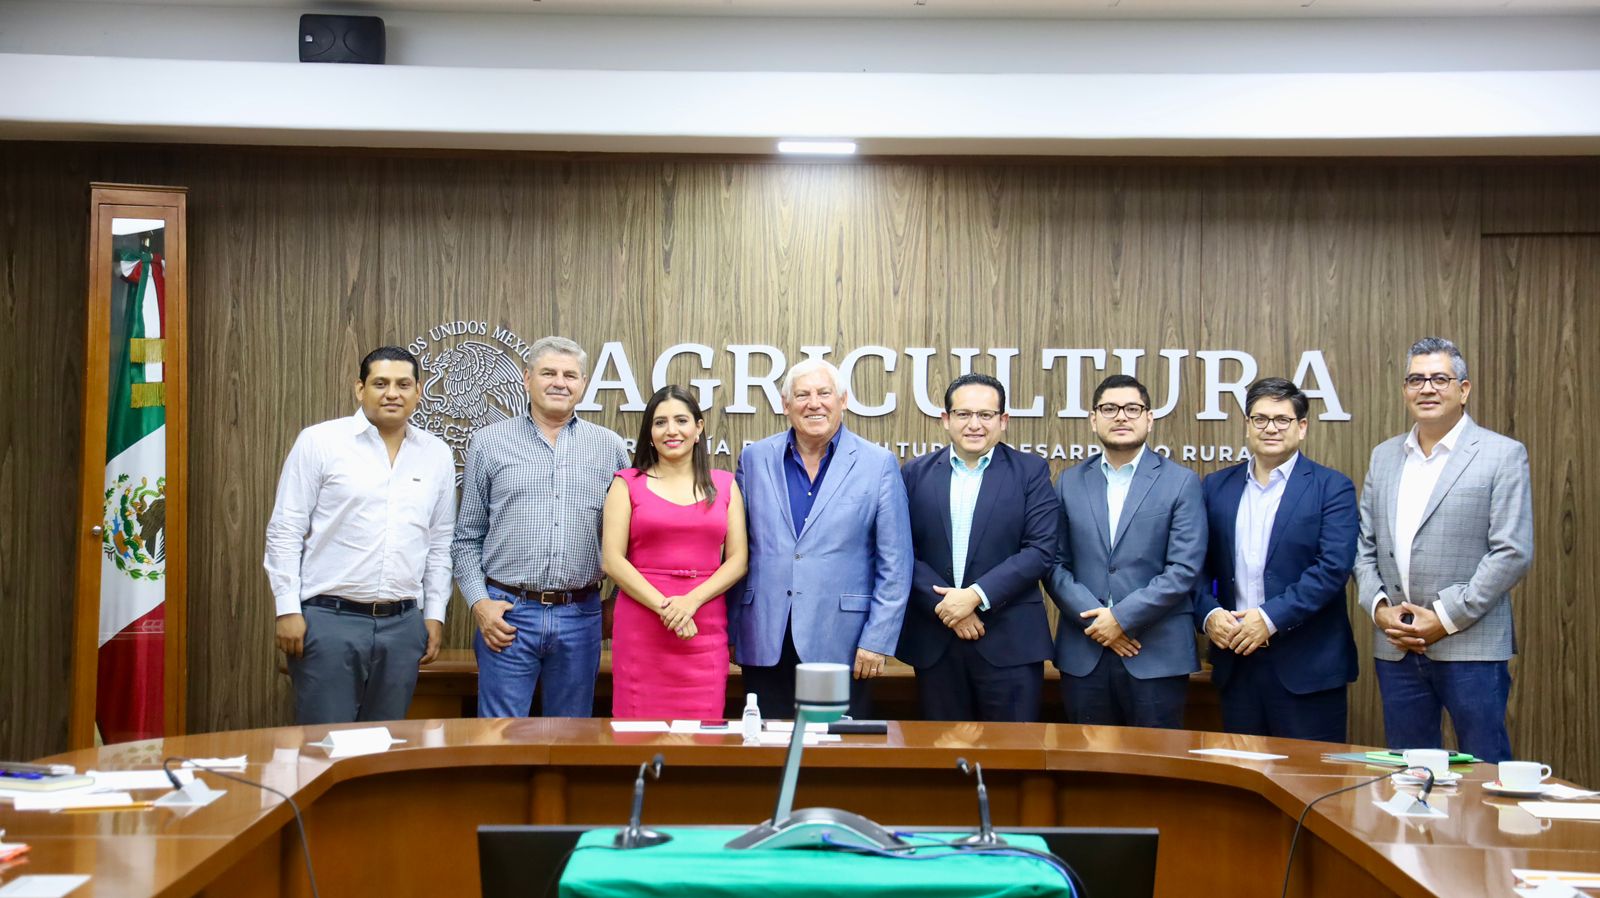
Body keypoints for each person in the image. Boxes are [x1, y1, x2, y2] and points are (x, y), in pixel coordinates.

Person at [1355, 337, 1533, 762]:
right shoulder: (1384, 457)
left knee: (1485, 770)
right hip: (1397, 645)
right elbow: (1364, 546)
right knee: (1409, 772)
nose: (1427, 388)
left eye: (1439, 378)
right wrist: (1379, 609)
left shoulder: (1502, 455)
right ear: (1405, 389)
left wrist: (1445, 617)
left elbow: (1511, 551)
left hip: (1471, 644)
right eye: (1416, 379)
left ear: (1463, 389)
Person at [264, 346, 455, 724]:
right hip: (328, 621)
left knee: (386, 742)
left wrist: (434, 615)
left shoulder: (436, 454)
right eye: (380, 383)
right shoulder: (320, 442)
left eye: (403, 384)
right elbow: (285, 529)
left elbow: (439, 543)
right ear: (359, 389)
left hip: (403, 626)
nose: (392, 393)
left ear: (418, 391)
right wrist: (286, 609)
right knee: (324, 743)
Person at [452, 336, 629, 718]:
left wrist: (615, 604)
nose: (559, 383)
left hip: (581, 615)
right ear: (527, 378)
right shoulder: (489, 443)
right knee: (499, 733)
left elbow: (631, 539)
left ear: (583, 384)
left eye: (570, 375)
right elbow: (466, 538)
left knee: (571, 734)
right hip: (508, 614)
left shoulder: (610, 447)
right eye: (549, 373)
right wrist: (480, 604)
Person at [733, 358, 913, 719]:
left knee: (835, 746)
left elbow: (895, 562)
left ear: (842, 400)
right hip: (765, 636)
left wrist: (877, 639)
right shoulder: (754, 459)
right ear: (785, 405)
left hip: (843, 641)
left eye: (824, 393)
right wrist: (731, 629)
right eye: (802, 395)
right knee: (767, 744)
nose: (813, 403)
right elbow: (736, 550)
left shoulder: (877, 463)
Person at [1193, 377, 1359, 742]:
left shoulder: (1332, 487)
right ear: (1247, 425)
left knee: (1308, 774)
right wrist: (1209, 614)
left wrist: (1269, 619)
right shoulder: (1216, 486)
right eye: (1261, 419)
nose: (1271, 428)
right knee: (1241, 770)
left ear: (1302, 427)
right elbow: (1196, 567)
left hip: (1307, 668)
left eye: (1282, 419)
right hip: (1236, 662)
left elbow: (1333, 568)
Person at [1045, 374, 1206, 729]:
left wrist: (1120, 619)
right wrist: (1098, 622)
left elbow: (1183, 568)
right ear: (1093, 419)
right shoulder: (1069, 482)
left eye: (1132, 408)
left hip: (1156, 653)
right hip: (1085, 651)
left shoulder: (1181, 482)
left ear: (1149, 418)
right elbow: (1054, 563)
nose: (1121, 416)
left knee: (1155, 760)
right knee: (1086, 760)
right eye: (1109, 409)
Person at [897, 373, 1058, 722]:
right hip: (936, 641)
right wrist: (946, 605)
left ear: (1003, 420)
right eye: (963, 414)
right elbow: (900, 550)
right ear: (946, 419)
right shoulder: (915, 473)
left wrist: (974, 596)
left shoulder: (1030, 471)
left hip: (1010, 643)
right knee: (943, 751)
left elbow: (1040, 550)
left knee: (1012, 750)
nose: (974, 424)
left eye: (985, 415)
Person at [602, 385, 748, 718]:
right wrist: (667, 608)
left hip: (704, 624)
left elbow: (738, 560)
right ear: (650, 434)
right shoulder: (626, 483)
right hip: (642, 625)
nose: (671, 430)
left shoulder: (725, 485)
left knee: (702, 732)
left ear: (698, 428)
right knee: (637, 731)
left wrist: (690, 602)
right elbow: (612, 560)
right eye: (660, 422)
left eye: (681, 420)